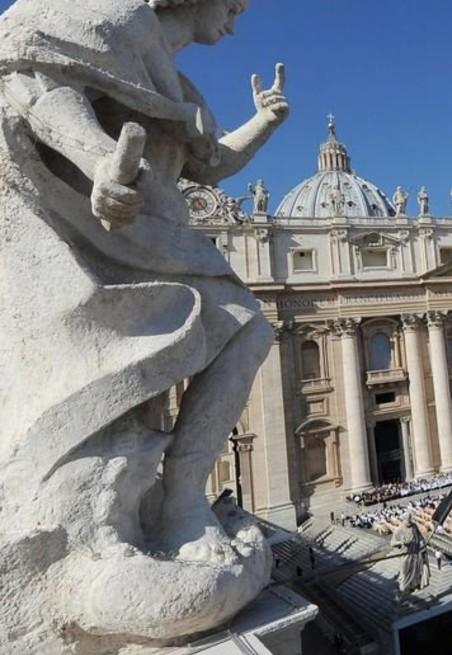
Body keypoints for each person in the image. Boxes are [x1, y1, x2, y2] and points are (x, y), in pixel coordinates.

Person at [0, 0, 293, 640]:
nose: (237, 21)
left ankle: (177, 498)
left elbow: (209, 163)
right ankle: (177, 500)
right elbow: (31, 78)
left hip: (155, 234)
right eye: (237, 4)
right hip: (103, 232)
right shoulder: (111, 17)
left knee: (244, 331)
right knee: (243, 327)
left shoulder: (179, 83)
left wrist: (264, 123)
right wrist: (97, 158)